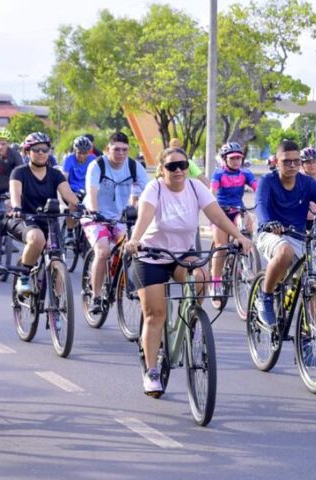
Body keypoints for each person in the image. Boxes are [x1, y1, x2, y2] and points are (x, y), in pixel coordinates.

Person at [125, 147, 254, 396]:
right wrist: (135, 238)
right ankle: (152, 371)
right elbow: (146, 214)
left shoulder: (196, 187)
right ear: (162, 169)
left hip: (182, 254)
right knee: (155, 314)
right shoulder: (155, 189)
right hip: (150, 255)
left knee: (201, 276)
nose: (178, 170)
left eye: (182, 165)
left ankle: (192, 320)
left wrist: (239, 236)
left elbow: (216, 215)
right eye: (172, 166)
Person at [255, 139, 316, 327]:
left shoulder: (307, 183)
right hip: (271, 233)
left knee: (311, 284)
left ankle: (309, 337)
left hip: (298, 236)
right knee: (285, 252)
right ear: (276, 162)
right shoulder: (267, 181)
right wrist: (268, 223)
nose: (292, 165)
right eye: (286, 161)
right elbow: (260, 205)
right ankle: (265, 296)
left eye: (296, 161)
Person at [82, 131, 150, 313]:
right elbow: (92, 191)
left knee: (132, 246)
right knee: (103, 251)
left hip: (120, 218)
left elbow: (150, 192)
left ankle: (119, 276)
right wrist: (95, 212)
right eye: (116, 149)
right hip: (95, 217)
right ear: (107, 149)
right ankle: (96, 297)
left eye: (124, 150)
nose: (120, 153)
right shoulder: (97, 165)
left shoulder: (135, 166)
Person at [8, 132, 81, 295]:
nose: (41, 153)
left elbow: (68, 193)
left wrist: (81, 206)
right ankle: (24, 277)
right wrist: (17, 208)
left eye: (44, 149)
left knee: (58, 258)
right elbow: (15, 193)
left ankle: (58, 309)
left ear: (49, 152)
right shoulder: (19, 172)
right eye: (36, 149)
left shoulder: (55, 174)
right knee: (37, 239)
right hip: (26, 218)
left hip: (50, 221)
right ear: (27, 152)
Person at [209, 142, 258, 304]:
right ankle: (215, 282)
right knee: (221, 247)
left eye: (239, 158)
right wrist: (213, 206)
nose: (236, 161)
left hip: (237, 210)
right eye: (233, 158)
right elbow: (212, 193)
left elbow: (258, 188)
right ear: (224, 159)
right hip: (221, 213)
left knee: (247, 225)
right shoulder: (218, 174)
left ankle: (242, 259)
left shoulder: (245, 173)